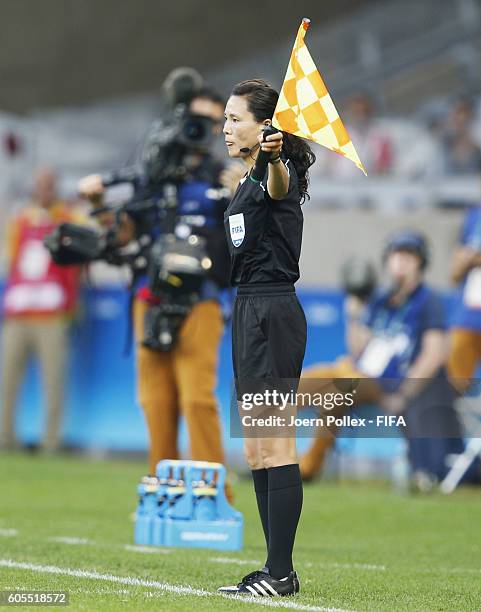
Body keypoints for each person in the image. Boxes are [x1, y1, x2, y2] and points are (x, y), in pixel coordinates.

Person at [79, 87, 241, 499]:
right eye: (196, 120)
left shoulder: (228, 177)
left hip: (202, 295)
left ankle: (211, 494)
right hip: (151, 294)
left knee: (197, 398)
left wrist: (244, 192)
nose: (201, 130)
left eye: (213, 122)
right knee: (155, 399)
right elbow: (124, 234)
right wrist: (100, 207)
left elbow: (246, 239)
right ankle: (163, 491)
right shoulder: (154, 173)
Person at [217, 79, 315, 597]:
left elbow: (280, 185)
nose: (226, 128)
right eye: (225, 119)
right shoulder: (245, 177)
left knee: (275, 443)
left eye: (235, 119)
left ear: (265, 126)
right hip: (248, 310)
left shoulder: (280, 169)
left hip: (273, 311)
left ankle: (281, 574)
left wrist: (275, 156)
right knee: (256, 449)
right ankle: (276, 569)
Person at [299, 230, 467, 489]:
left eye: (408, 256)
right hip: (359, 375)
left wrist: (405, 394)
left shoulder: (427, 301)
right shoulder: (379, 299)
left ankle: (302, 465)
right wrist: (354, 313)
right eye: (396, 255)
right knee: (302, 388)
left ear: (421, 262)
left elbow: (434, 354)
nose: (401, 262)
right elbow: (358, 350)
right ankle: (296, 466)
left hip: (389, 383)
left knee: (341, 381)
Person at [0, 168, 83, 451]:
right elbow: (13, 261)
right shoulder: (21, 219)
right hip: (19, 313)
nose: (44, 190)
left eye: (49, 185)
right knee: (8, 380)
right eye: (40, 185)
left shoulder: (67, 218)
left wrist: (71, 307)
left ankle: (51, 441)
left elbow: (76, 266)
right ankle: (5, 438)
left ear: (56, 187)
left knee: (53, 382)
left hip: (52, 315)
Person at [448, 203, 481, 390]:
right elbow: (455, 273)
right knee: (456, 384)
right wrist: (464, 260)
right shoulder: (474, 216)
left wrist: (474, 257)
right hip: (468, 315)